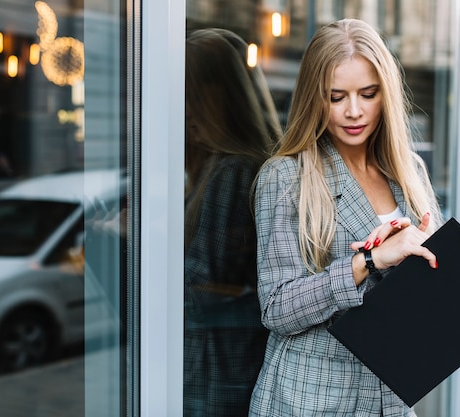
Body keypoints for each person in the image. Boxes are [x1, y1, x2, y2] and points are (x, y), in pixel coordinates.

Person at [249, 19, 443, 416]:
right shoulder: (287, 176)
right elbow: (276, 307)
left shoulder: (410, 172)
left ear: (384, 94)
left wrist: (423, 254)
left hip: (390, 397)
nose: (353, 112)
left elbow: (424, 295)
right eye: (336, 97)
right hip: (311, 398)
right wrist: (368, 261)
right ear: (314, 99)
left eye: (367, 94)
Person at [183, 28, 282, 416]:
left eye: (193, 96)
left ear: (223, 98)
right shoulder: (227, 166)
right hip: (227, 364)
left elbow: (203, 287)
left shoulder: (232, 171)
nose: (185, 110)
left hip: (217, 368)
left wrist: (141, 240)